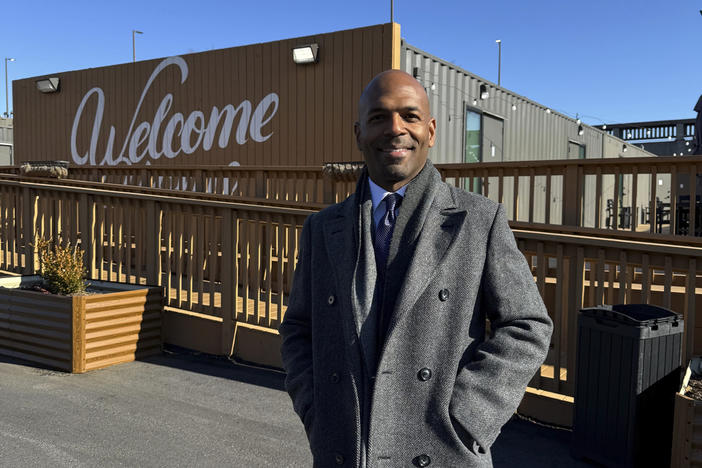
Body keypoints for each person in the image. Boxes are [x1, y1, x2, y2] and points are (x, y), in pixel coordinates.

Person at [279, 69, 553, 467]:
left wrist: (470, 416)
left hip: (443, 450)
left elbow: (528, 325)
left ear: (431, 130)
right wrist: (316, 411)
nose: (395, 129)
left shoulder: (479, 220)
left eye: (409, 115)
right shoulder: (322, 228)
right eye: (378, 117)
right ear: (358, 133)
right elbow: (298, 329)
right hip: (344, 447)